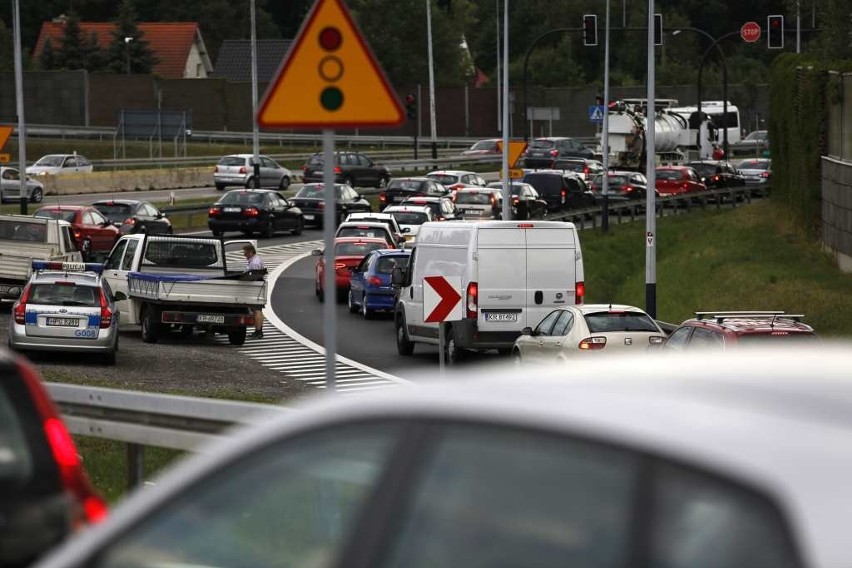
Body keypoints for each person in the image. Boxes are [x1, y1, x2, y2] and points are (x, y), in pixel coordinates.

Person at [242, 244, 266, 339]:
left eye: (246, 252)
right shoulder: (254, 260)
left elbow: (254, 276)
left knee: (257, 310)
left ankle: (258, 332)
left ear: (251, 252)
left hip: (256, 287)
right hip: (257, 287)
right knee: (257, 310)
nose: (244, 255)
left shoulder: (254, 263)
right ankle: (259, 330)